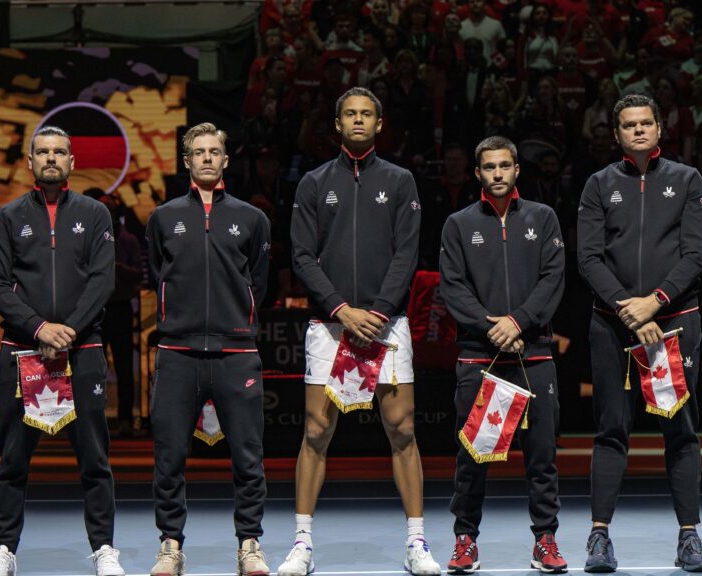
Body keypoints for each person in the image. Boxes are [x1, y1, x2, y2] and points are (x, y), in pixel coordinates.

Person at [281, 87, 442, 576]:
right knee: (316, 431)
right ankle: (302, 544)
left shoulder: (400, 180)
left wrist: (376, 312)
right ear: (336, 124)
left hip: (385, 324)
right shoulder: (312, 183)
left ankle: (416, 542)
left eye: (366, 114)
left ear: (379, 123)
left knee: (403, 429)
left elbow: (406, 254)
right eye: (349, 114)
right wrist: (341, 309)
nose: (357, 120)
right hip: (329, 326)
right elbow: (302, 255)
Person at [577, 95, 702, 573]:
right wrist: (628, 310)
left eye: (646, 123)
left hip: (674, 322)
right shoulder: (598, 185)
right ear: (616, 134)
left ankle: (690, 538)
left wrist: (654, 302)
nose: (638, 131)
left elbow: (696, 254)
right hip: (612, 323)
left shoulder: (687, 180)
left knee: (680, 430)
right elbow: (588, 257)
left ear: (660, 128)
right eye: (628, 125)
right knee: (611, 428)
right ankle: (598, 538)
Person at [0, 126, 123, 576]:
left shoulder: (96, 214)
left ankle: (103, 548)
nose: (51, 158)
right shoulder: (6, 217)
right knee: (12, 460)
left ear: (72, 162)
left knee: (95, 459)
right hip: (23, 352)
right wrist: (40, 327)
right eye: (42, 152)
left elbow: (104, 281)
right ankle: (5, 550)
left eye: (59, 152)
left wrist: (68, 330)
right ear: (29, 162)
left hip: (82, 352)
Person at [145, 123, 272, 576]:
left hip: (236, 352)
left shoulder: (252, 218)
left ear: (224, 160)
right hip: (177, 351)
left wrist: (236, 323)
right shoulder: (161, 218)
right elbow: (155, 273)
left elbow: (258, 279)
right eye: (197, 152)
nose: (205, 158)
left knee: (247, 454)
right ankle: (170, 543)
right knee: (170, 454)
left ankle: (250, 543)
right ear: (186, 161)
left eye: (213, 151)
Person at [439, 136, 567, 574]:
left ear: (516, 170)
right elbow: (452, 287)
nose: (497, 173)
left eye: (505, 166)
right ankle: (465, 541)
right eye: (489, 167)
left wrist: (519, 321)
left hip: (534, 355)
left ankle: (545, 540)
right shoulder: (458, 224)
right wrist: (494, 328)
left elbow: (553, 280)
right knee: (473, 456)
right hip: (481, 357)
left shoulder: (543, 218)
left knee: (542, 456)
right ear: (478, 173)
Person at [96, 191, 143, 437]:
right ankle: (92, 418)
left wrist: (117, 268)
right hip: (96, 309)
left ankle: (125, 419)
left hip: (121, 307)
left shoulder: (129, 240)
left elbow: (138, 273)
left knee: (124, 367)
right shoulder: (89, 239)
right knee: (93, 368)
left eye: (110, 210)